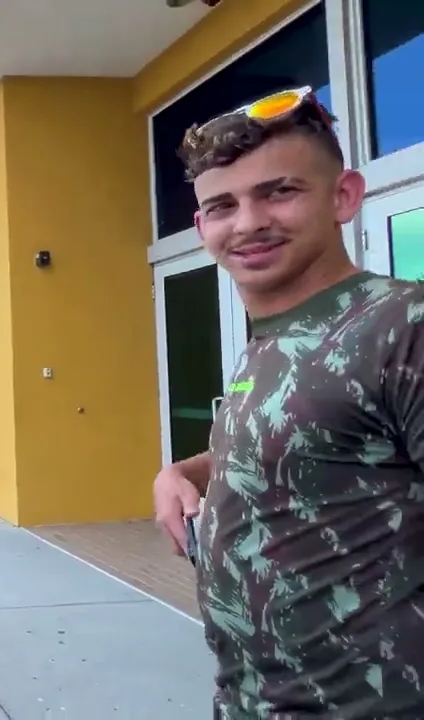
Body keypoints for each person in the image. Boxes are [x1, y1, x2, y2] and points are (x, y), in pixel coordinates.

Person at [151, 86, 424, 718]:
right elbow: (305, 447)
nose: (248, 222)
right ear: (202, 227)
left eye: (279, 192)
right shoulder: (269, 341)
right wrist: (182, 472)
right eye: (222, 205)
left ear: (343, 196)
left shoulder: (400, 326)